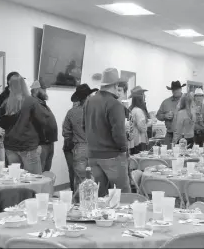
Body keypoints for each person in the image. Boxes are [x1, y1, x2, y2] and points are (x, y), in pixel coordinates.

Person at [83, 68, 131, 197]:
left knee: (100, 194)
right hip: (112, 155)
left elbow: (84, 126)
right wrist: (124, 149)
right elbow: (118, 132)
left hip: (93, 155)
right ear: (116, 85)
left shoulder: (89, 101)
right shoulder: (115, 104)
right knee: (122, 194)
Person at [0, 75, 47, 174]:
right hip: (28, 146)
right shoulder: (32, 102)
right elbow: (41, 123)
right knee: (34, 181)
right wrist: (41, 143)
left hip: (10, 147)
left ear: (10, 87)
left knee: (16, 180)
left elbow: (2, 124)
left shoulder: (5, 103)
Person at [63, 84, 98, 196]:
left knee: (80, 180)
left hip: (79, 148)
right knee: (95, 178)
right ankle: (93, 202)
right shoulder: (96, 110)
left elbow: (66, 132)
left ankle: (79, 204)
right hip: (96, 148)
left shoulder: (71, 112)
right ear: (87, 97)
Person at [30, 80, 58, 172]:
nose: (46, 92)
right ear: (37, 90)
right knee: (39, 173)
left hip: (48, 143)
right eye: (44, 89)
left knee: (46, 172)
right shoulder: (33, 104)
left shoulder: (41, 103)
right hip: (40, 144)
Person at [156, 81, 185, 148]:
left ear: (181, 89)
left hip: (183, 136)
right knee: (166, 154)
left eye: (177, 89)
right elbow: (158, 115)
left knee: (183, 155)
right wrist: (165, 116)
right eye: (173, 90)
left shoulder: (187, 101)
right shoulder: (166, 102)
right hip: (170, 134)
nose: (175, 91)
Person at [128, 86, 151, 154]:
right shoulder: (138, 111)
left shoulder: (132, 109)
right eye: (143, 95)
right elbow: (142, 128)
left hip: (134, 142)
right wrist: (150, 122)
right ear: (140, 97)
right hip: (139, 141)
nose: (145, 96)